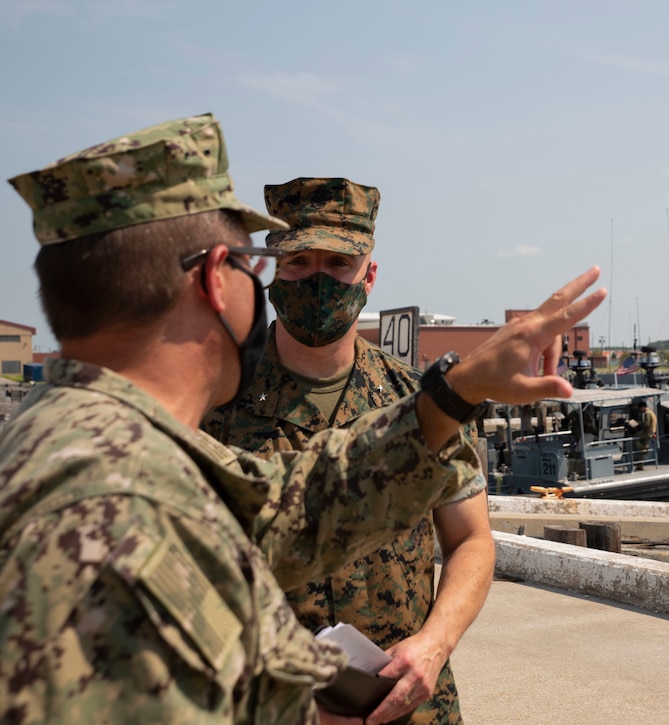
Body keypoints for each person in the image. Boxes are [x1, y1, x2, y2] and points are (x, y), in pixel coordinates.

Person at [0, 113, 606, 725]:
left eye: (336, 264)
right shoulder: (98, 497)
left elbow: (280, 514)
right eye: (258, 262)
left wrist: (455, 392)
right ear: (216, 278)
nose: (305, 282)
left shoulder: (96, 446)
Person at [203, 176, 493, 725]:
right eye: (299, 262)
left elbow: (470, 539)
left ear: (369, 276)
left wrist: (435, 642)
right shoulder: (214, 401)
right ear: (272, 271)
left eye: (338, 265)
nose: (318, 280)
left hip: (406, 702)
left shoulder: (420, 405)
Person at [628, 399, 656, 470]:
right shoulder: (652, 412)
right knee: (643, 451)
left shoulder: (648, 413)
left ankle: (642, 448)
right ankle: (640, 465)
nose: (640, 410)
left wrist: (638, 424)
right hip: (651, 432)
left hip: (647, 432)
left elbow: (647, 423)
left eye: (640, 409)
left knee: (634, 437)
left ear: (643, 407)